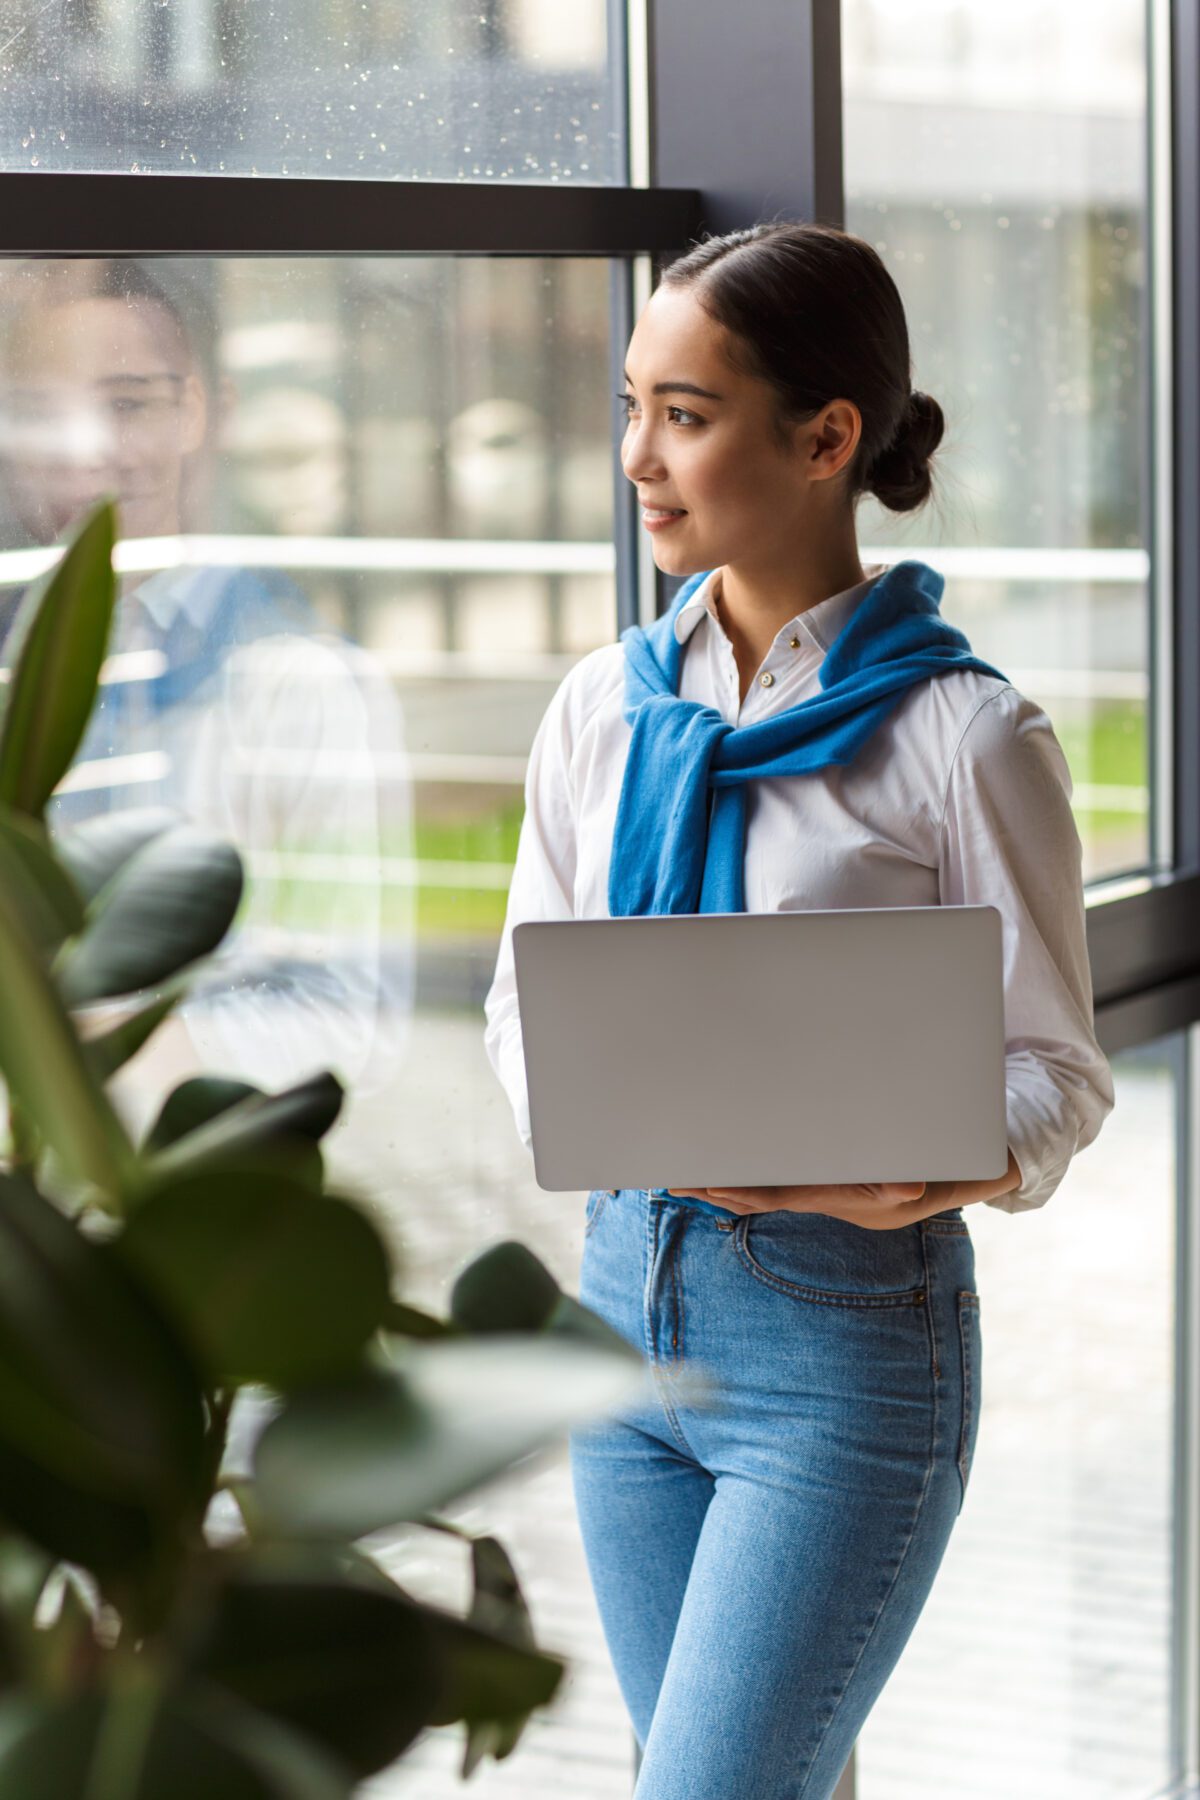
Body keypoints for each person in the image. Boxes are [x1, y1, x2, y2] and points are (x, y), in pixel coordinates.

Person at [483, 221, 1114, 1799]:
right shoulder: (606, 708)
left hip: (840, 1348)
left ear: (826, 439)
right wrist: (594, 1105)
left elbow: (1059, 1077)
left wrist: (916, 1168)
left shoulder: (964, 737)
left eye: (685, 415)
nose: (637, 458)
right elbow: (520, 998)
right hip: (624, 1316)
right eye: (632, 405)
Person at [0, 258, 414, 1103]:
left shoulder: (299, 682)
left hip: (184, 1190)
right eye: (45, 412)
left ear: (200, 410)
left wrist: (72, 1058)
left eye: (129, 404)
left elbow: (348, 1021)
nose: (87, 457)